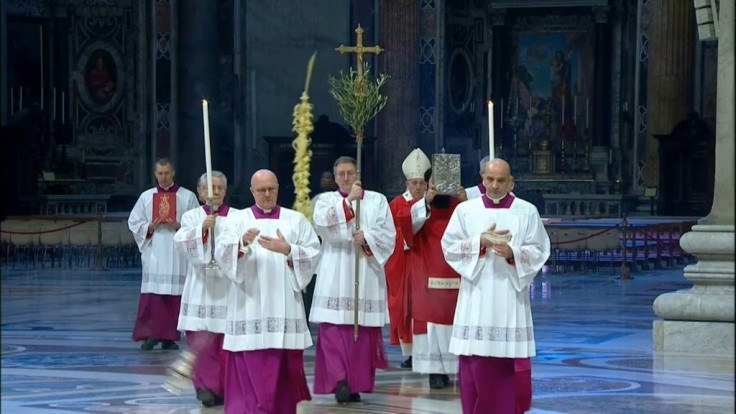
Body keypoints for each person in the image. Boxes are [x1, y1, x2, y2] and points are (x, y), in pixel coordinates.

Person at [441, 158, 550, 414]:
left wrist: (513, 252)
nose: (495, 185)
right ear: (482, 179)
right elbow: (449, 247)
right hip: (476, 295)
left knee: (504, 363)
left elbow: (540, 249)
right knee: (475, 360)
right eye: (490, 179)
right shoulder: (466, 210)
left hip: (509, 296)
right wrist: (479, 242)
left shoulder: (526, 211)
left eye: (501, 180)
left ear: (511, 181)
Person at [214, 169, 320, 414]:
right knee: (251, 373)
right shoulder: (237, 219)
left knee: (281, 376)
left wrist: (289, 250)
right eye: (261, 190)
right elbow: (221, 252)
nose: (267, 194)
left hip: (285, 308)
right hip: (247, 306)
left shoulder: (295, 220)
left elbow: (314, 253)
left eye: (271, 188)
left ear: (278, 188)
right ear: (252, 191)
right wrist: (241, 244)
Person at [309, 156, 396, 403]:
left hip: (366, 272)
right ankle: (339, 381)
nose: (346, 178)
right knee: (334, 332)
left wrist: (367, 238)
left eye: (350, 173)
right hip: (335, 271)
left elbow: (388, 234)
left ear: (357, 174)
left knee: (362, 335)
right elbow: (323, 226)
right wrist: (348, 204)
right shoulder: (326, 200)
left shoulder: (378, 200)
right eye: (341, 174)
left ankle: (356, 383)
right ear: (335, 177)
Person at [172, 170, 235, 407]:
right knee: (201, 339)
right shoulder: (191, 217)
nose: (214, 192)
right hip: (200, 286)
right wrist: (202, 230)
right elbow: (181, 244)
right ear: (200, 192)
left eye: (219, 188)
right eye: (209, 188)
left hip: (228, 287)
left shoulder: (238, 216)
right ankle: (206, 387)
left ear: (225, 191)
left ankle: (227, 386)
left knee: (226, 341)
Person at [398, 166, 463, 389]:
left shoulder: (461, 206)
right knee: (431, 320)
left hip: (457, 270)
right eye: (437, 181)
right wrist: (426, 201)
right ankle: (435, 371)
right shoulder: (421, 206)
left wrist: (465, 202)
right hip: (427, 269)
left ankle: (457, 367)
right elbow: (408, 225)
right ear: (428, 185)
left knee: (456, 319)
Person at [128, 158, 199, 351]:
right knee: (155, 297)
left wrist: (178, 225)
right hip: (155, 251)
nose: (163, 177)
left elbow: (196, 225)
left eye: (167, 173)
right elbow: (134, 222)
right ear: (155, 174)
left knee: (174, 296)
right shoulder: (146, 197)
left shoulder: (188, 196)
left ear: (173, 172)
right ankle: (152, 335)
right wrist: (149, 227)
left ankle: (170, 337)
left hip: (177, 253)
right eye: (160, 173)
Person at [385, 148, 431, 369]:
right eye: (414, 183)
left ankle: (425, 351)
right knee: (405, 307)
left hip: (425, 261)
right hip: (403, 261)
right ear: (407, 183)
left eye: (422, 183)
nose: (418, 187)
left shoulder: (432, 202)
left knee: (426, 305)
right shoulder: (396, 204)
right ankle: (409, 353)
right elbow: (389, 232)